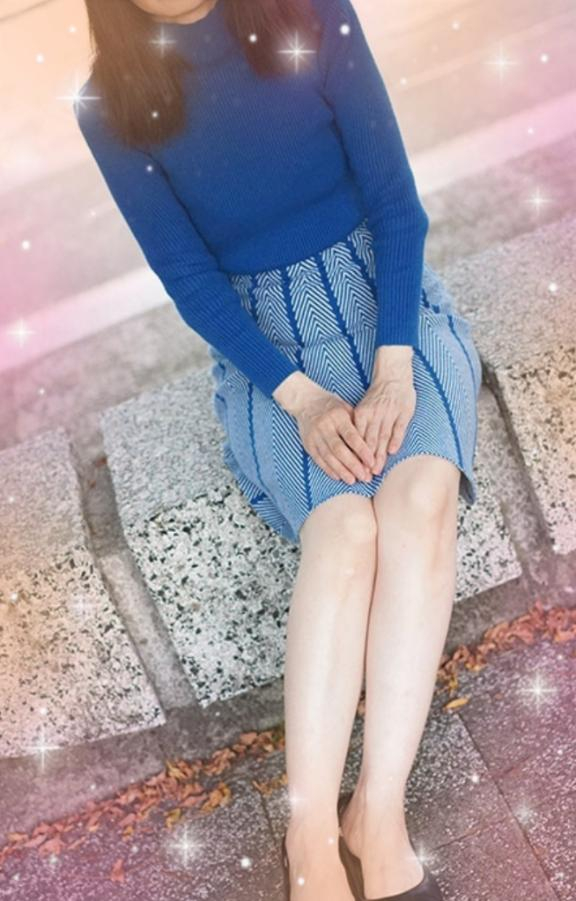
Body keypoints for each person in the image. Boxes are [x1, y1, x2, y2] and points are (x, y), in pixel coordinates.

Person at [74, 1, 482, 898]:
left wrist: (395, 370)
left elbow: (396, 203)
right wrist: (301, 398)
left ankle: (378, 813)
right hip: (272, 353)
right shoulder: (108, 101)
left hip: (389, 308)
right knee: (346, 533)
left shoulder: (311, 9)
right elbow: (189, 280)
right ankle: (309, 834)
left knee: (418, 500)